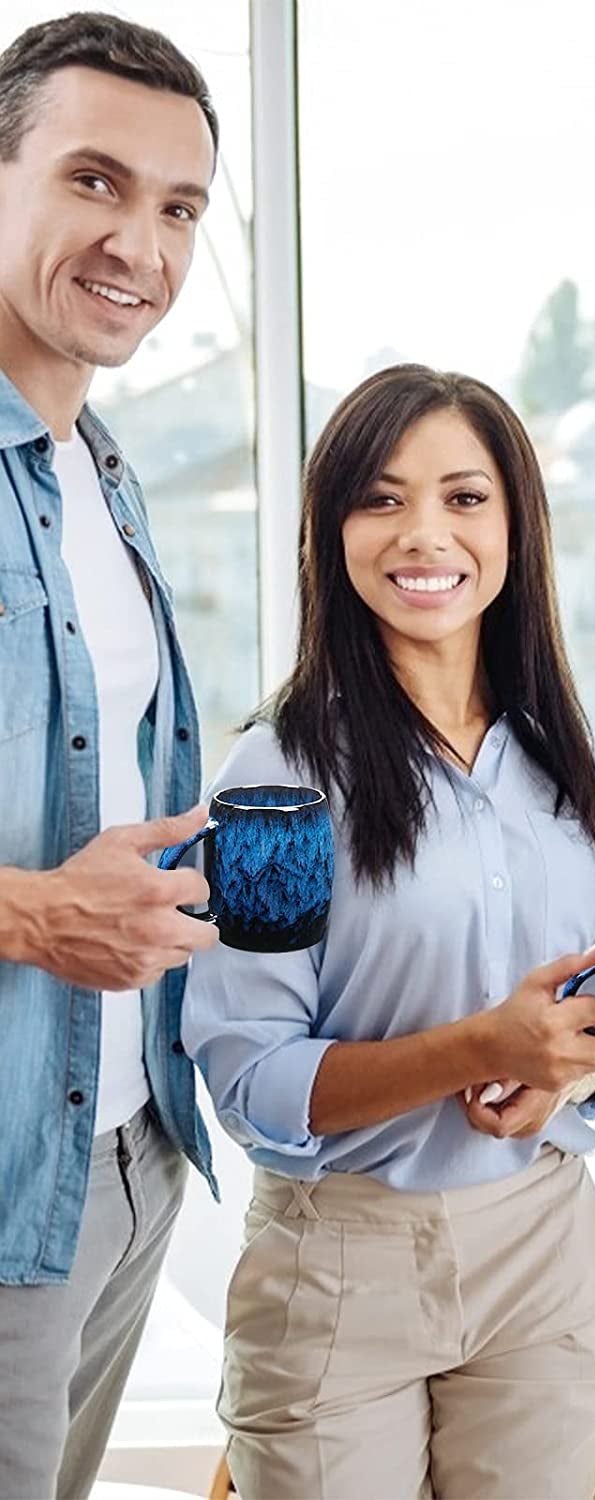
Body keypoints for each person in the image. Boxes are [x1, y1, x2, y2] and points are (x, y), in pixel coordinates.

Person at [181, 365, 595, 1499]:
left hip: (544, 1245)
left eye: (464, 498)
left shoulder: (560, 762)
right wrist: (482, 1048)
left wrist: (564, 1077)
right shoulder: (277, 777)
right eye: (381, 499)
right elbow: (255, 1082)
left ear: (516, 526)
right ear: (330, 531)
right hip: (343, 1263)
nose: (424, 533)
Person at [0, 14, 223, 1496]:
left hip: (125, 1155)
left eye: (179, 206)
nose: (138, 243)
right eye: (93, 181)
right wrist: (28, 913)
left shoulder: (102, 469)